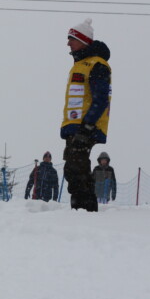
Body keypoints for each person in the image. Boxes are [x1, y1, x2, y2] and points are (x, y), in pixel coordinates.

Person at [60, 18, 112, 212]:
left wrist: (87, 127)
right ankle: (79, 209)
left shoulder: (96, 65)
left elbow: (100, 99)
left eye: (71, 38)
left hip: (86, 128)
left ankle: (86, 210)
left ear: (83, 40)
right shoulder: (80, 65)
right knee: (73, 169)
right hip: (75, 128)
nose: (68, 43)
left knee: (77, 168)